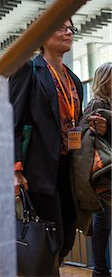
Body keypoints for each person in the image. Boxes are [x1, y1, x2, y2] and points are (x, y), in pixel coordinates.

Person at [9, 20, 83, 272]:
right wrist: (16, 168)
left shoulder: (73, 80)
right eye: (61, 26)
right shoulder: (29, 70)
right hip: (37, 171)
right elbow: (11, 121)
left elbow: (74, 122)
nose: (68, 32)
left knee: (66, 238)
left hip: (69, 169)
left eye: (71, 28)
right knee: (50, 238)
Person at [83, 62, 111, 277]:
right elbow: (85, 135)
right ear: (104, 80)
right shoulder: (96, 104)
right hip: (103, 173)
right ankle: (100, 270)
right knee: (104, 220)